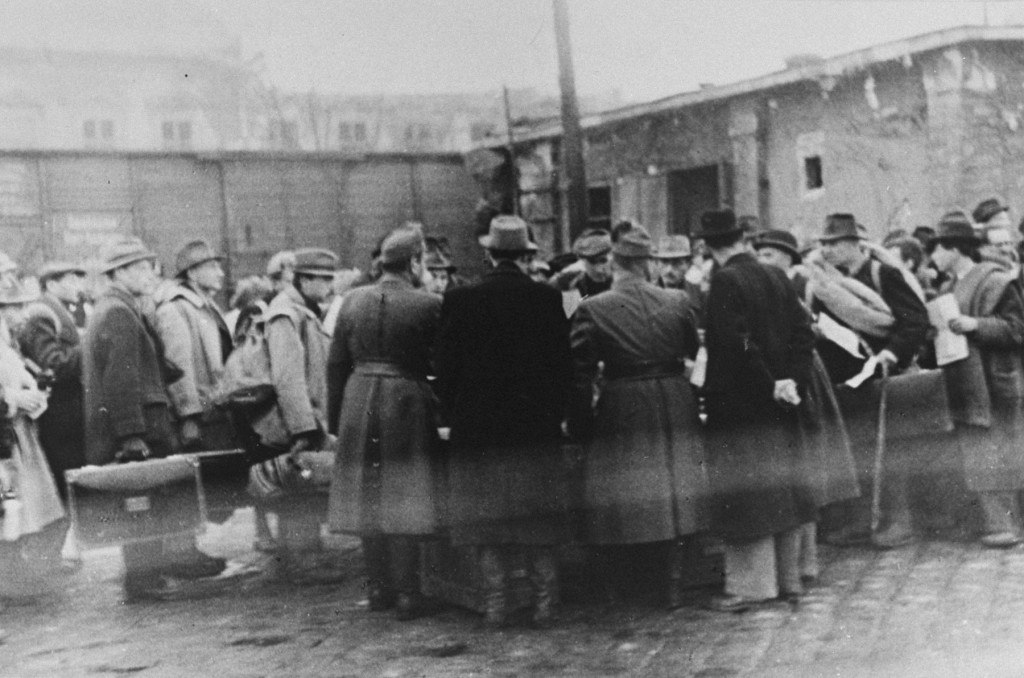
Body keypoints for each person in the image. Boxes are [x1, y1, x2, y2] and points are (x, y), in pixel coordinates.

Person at [436, 215, 572, 628]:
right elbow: (564, 369)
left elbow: (445, 370)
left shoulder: (460, 299)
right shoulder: (547, 299)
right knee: (538, 516)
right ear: (527, 255)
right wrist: (556, 414)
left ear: (489, 253)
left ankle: (496, 605)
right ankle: (544, 603)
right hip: (534, 426)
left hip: (479, 427)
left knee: (485, 516)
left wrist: (456, 412)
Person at [569, 223, 706, 608]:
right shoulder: (678, 300)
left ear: (614, 261)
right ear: (647, 262)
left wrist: (580, 425)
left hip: (623, 403)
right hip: (674, 398)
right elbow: (693, 352)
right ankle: (674, 586)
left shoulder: (593, 308)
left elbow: (579, 375)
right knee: (677, 488)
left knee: (621, 494)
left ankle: (622, 587)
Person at [697, 209, 817, 611]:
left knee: (748, 494)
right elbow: (804, 334)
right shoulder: (777, 275)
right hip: (782, 403)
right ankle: (790, 579)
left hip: (741, 406)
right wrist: (790, 382)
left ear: (709, 247)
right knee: (782, 488)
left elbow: (738, 343)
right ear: (742, 239)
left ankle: (752, 588)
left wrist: (768, 382)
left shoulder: (725, 280)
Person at [83, 237, 208, 600]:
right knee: (140, 503)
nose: (149, 273)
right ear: (119, 272)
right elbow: (120, 379)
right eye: (139, 267)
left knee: (141, 502)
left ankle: (145, 578)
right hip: (139, 426)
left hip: (139, 420)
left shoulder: (118, 307)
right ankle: (141, 582)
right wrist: (131, 435)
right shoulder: (119, 312)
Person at [327, 226, 442, 620]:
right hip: (405, 400)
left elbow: (335, 365)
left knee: (367, 494)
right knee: (405, 493)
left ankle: (378, 589)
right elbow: (439, 364)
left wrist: (336, 421)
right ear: (413, 262)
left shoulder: (351, 300)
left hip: (358, 400)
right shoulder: (428, 303)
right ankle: (409, 593)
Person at [813, 213, 930, 549]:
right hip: (850, 379)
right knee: (857, 450)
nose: (827, 250)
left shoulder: (884, 274)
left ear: (854, 243)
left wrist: (891, 354)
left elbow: (914, 322)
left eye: (834, 243)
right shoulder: (829, 282)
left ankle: (899, 521)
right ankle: (862, 521)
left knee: (891, 449)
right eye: (824, 244)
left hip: (886, 373)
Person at [752, 230, 859, 585]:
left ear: (787, 258)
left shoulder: (797, 283)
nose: (763, 261)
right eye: (760, 254)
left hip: (803, 374)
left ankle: (806, 560)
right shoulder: (771, 285)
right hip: (795, 369)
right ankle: (801, 561)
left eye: (770, 254)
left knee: (807, 462)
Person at [927, 211, 1024, 548]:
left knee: (999, 450)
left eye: (936, 248)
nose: (933, 257)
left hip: (995, 380)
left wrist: (975, 325)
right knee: (977, 452)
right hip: (966, 381)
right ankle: (988, 521)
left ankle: (1006, 525)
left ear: (954, 247)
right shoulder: (947, 287)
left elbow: (1017, 329)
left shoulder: (995, 281)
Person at [248, 247, 337, 582]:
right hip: (296, 421)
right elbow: (288, 376)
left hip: (306, 417)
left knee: (300, 489)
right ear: (304, 279)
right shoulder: (286, 314)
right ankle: (304, 561)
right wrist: (304, 427)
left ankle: (298, 557)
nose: (329, 285)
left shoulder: (301, 310)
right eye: (323, 279)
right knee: (300, 488)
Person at [0, 271, 66, 588]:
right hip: (6, 438)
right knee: (9, 508)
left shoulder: (8, 346)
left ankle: (14, 574)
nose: (19, 315)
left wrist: (35, 397)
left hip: (16, 436)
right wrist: (14, 399)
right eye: (12, 308)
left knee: (18, 508)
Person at [19, 262, 87, 502]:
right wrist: (88, 345)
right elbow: (52, 364)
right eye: (71, 279)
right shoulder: (43, 314)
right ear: (51, 284)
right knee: (70, 484)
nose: (78, 286)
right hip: (60, 415)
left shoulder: (59, 310)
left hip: (68, 413)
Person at [653, 234, 705, 323]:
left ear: (688, 265)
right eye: (664, 262)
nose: (669, 270)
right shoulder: (645, 296)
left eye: (676, 263)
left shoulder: (699, 296)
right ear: (657, 263)